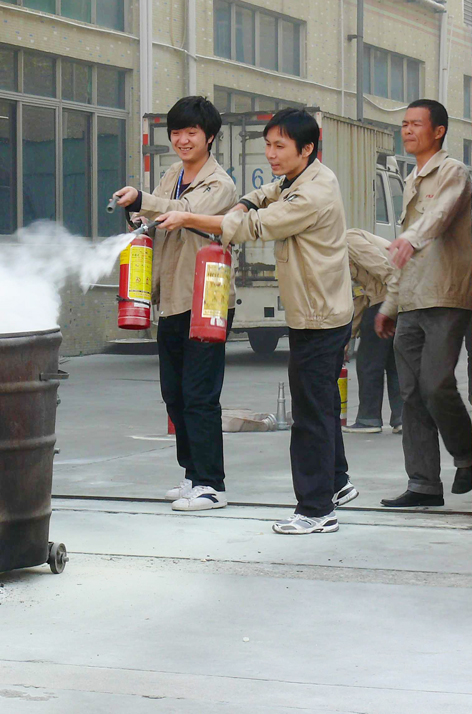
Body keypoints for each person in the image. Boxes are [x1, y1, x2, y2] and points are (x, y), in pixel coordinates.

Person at [155, 108, 357, 534]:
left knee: (310, 415)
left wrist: (189, 218)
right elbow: (264, 196)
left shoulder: (313, 193)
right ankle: (337, 482)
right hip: (312, 311)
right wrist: (248, 199)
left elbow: (256, 226)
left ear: (307, 148)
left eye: (279, 146)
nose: (270, 154)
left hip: (320, 315)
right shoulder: (295, 179)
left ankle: (316, 510)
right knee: (319, 405)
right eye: (267, 145)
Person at [112, 96, 238, 511]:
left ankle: (211, 484)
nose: (183, 140)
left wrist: (142, 199)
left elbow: (184, 213)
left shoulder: (219, 185)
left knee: (200, 394)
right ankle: (192, 474)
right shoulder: (172, 174)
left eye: (191, 132)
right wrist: (138, 216)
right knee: (175, 394)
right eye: (177, 132)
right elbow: (159, 217)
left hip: (206, 300)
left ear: (210, 137)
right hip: (172, 300)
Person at [374, 100, 472, 507]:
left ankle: (467, 454)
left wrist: (410, 238)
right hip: (412, 299)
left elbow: (439, 215)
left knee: (435, 384)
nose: (408, 130)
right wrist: (389, 305)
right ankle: (423, 484)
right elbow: (405, 255)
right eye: (404, 124)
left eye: (416, 124)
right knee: (411, 394)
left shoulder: (453, 172)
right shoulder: (411, 178)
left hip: (446, 295)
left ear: (439, 131)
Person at [342, 230, 403, 435]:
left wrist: (393, 295)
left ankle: (369, 419)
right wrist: (348, 337)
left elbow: (380, 265)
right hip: (395, 299)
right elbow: (360, 297)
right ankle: (403, 418)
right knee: (394, 362)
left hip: (387, 299)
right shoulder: (347, 249)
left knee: (369, 362)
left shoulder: (348, 239)